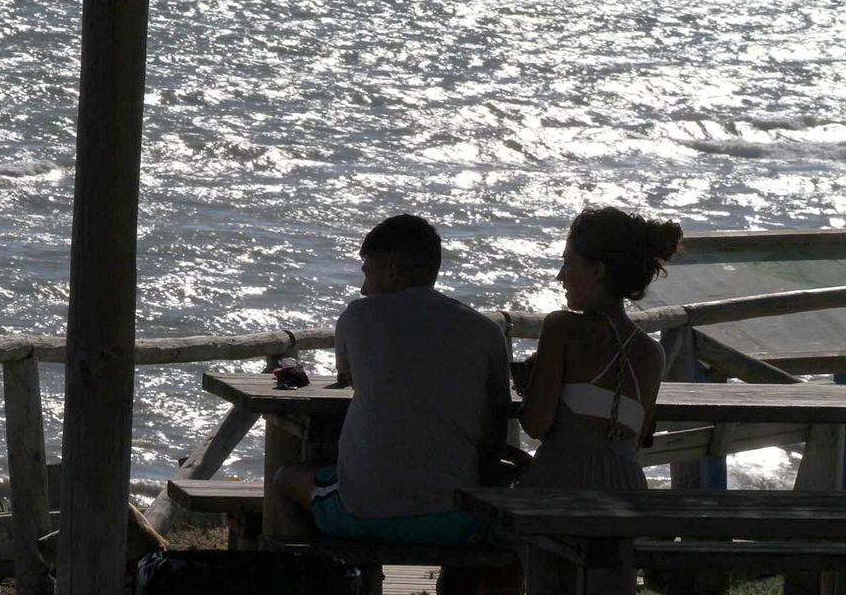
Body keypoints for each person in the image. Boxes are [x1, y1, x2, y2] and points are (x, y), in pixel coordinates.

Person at [276, 214, 512, 545]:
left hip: (364, 511)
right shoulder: (486, 331)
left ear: (391, 271)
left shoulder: (359, 315)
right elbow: (497, 415)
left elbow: (351, 379)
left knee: (286, 479)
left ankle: (317, 587)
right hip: (454, 517)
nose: (363, 287)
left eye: (367, 271)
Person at [517, 207, 681, 490]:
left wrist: (531, 385)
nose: (560, 276)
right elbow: (633, 440)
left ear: (597, 270)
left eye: (568, 263)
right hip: (628, 500)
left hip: (563, 493)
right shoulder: (653, 354)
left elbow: (535, 425)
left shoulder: (561, 328)